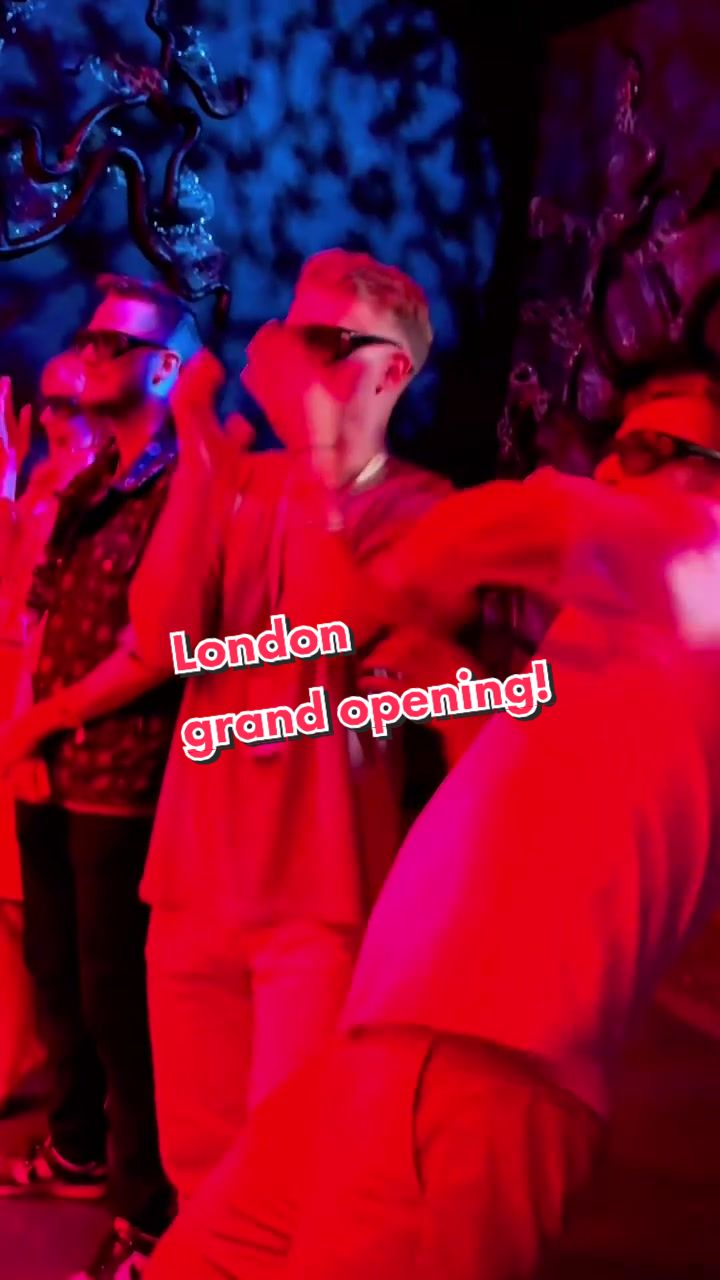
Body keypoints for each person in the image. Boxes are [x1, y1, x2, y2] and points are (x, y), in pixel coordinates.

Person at [144, 370, 720, 1280]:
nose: (613, 468)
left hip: (473, 1064)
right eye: (616, 444)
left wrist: (373, 541)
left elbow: (490, 528)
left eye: (653, 451)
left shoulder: (699, 556)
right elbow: (536, 798)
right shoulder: (639, 634)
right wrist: (459, 694)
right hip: (403, 1046)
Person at [127, 249, 459, 1203]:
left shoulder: (425, 507)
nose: (293, 360)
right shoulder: (249, 480)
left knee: (286, 1179)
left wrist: (309, 452)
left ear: (392, 369)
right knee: (196, 1165)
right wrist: (199, 453)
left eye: (325, 342)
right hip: (195, 869)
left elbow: (334, 625)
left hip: (318, 892)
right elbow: (163, 636)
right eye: (288, 335)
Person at [0, 276, 201, 1279]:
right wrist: (26, 733)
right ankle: (78, 1146)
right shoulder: (92, 480)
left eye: (110, 343)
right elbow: (39, 609)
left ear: (165, 369)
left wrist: (42, 721)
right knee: (59, 969)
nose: (87, 352)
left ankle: (147, 1204)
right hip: (53, 760)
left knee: (119, 994)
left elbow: (156, 648)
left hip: (118, 775)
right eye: (87, 337)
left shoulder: (179, 485)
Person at [0, 355, 100, 1113]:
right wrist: (8, 485)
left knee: (48, 908)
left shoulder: (108, 500)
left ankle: (60, 1078)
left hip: (63, 713)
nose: (61, 414)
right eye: (54, 400)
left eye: (77, 400)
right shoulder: (41, 492)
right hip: (16, 695)